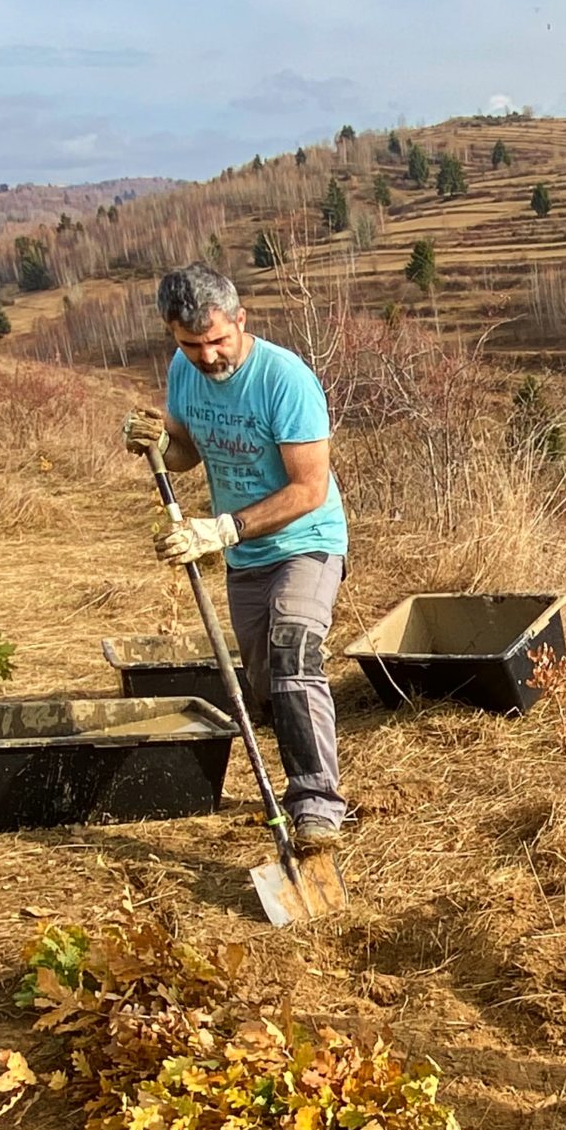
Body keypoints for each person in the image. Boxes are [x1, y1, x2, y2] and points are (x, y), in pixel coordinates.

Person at [123, 263, 350, 849]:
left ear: (240, 320)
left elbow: (310, 489)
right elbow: (185, 456)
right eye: (191, 344)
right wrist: (155, 445)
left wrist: (224, 528)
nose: (207, 356)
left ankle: (317, 806)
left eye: (218, 340)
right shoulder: (184, 371)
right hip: (245, 556)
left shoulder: (285, 381)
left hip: (307, 541)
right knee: (266, 681)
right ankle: (297, 751)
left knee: (293, 643)